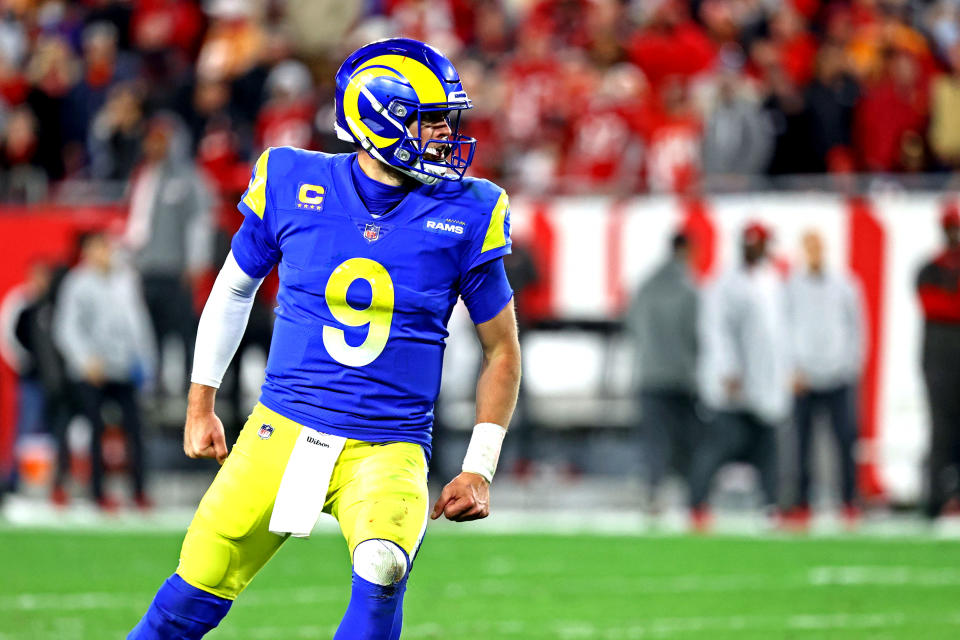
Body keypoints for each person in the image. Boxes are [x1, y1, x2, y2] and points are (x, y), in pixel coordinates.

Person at [129, 38, 522, 639]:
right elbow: (234, 290)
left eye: (448, 120)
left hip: (387, 446)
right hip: (280, 428)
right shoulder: (292, 179)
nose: (446, 134)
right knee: (188, 592)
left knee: (382, 563)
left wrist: (479, 467)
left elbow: (501, 349)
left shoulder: (468, 210)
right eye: (430, 120)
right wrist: (200, 403)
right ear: (378, 121)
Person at [691, 222, 791, 529]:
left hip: (765, 383)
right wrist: (728, 369)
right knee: (722, 444)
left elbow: (778, 335)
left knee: (768, 447)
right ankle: (697, 503)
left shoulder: (770, 281)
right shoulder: (725, 284)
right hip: (734, 385)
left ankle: (772, 504)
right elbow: (717, 331)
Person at [53, 231, 156, 510]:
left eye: (106, 246)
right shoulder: (77, 283)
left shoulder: (125, 280)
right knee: (95, 430)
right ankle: (98, 493)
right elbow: (66, 327)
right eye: (98, 247)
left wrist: (146, 361)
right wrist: (85, 361)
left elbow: (138, 322)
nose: (104, 252)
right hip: (93, 371)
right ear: (86, 251)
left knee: (135, 431)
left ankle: (139, 491)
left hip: (124, 369)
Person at [123, 113, 214, 397]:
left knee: (184, 330)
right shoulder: (146, 175)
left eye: (160, 141)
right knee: (153, 333)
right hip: (148, 267)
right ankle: (158, 386)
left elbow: (200, 222)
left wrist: (196, 261)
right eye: (150, 141)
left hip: (176, 269)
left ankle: (191, 387)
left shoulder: (189, 177)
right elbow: (137, 224)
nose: (153, 147)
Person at [786, 231, 865, 527]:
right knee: (802, 443)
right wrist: (791, 369)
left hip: (837, 374)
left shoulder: (844, 285)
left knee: (845, 440)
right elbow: (784, 329)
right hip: (804, 376)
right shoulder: (791, 286)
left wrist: (850, 366)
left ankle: (848, 500)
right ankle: (802, 502)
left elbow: (857, 327)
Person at [625, 231, 701, 511]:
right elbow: (697, 334)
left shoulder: (645, 285)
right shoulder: (690, 288)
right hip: (681, 377)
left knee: (654, 439)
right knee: (685, 440)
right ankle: (692, 496)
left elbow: (631, 323)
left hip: (649, 374)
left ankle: (653, 492)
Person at [916, 205, 960, 519]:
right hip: (939, 364)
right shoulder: (928, 269)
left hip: (942, 358)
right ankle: (934, 500)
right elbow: (934, 306)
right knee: (940, 432)